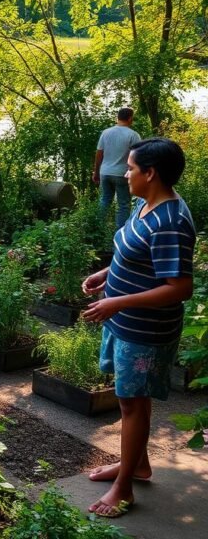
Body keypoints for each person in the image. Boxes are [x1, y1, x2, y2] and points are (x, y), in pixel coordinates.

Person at [81, 138, 195, 518]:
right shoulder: (147, 206)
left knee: (132, 404)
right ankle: (137, 464)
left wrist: (118, 301)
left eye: (131, 168)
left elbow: (179, 287)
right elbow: (133, 256)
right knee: (131, 399)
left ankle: (124, 486)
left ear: (151, 173)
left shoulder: (171, 222)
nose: (125, 173)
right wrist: (105, 274)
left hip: (145, 331)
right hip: (124, 323)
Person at [94, 107, 142, 229]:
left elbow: (99, 154)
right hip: (122, 174)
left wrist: (96, 172)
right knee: (124, 204)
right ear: (130, 118)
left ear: (118, 117)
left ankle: (98, 228)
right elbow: (139, 156)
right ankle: (120, 232)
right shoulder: (133, 135)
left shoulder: (106, 133)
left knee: (104, 200)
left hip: (105, 173)